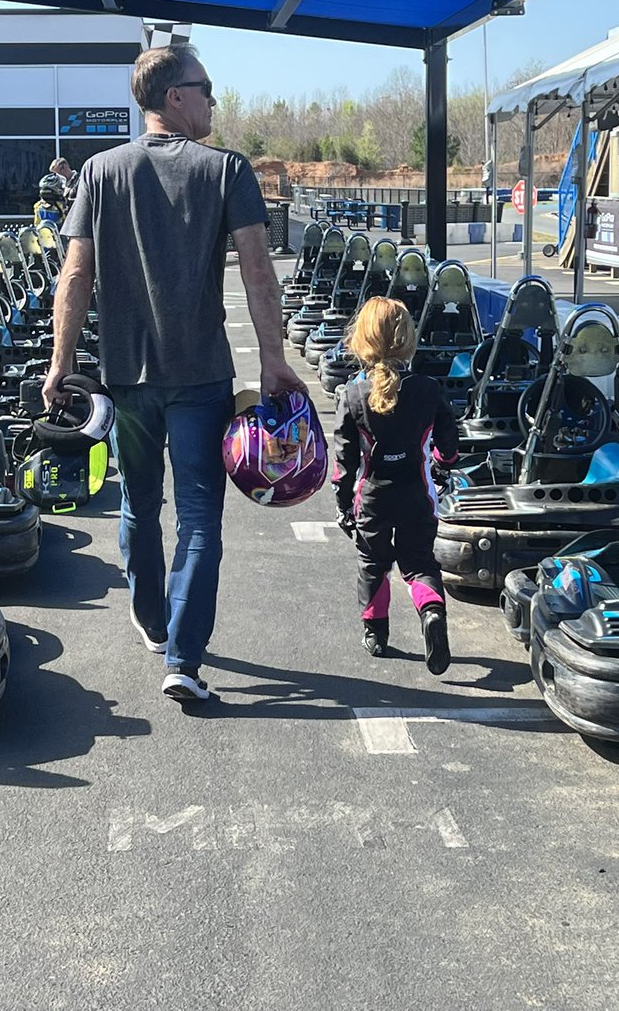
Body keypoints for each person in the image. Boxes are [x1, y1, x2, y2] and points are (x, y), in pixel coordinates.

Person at [43, 45, 306, 703]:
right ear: (174, 97)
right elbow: (257, 272)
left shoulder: (100, 172)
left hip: (127, 378)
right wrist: (273, 360)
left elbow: (75, 275)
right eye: (205, 87)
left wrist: (60, 364)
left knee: (139, 504)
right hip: (200, 376)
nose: (213, 99)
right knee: (198, 517)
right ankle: (184, 662)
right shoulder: (226, 170)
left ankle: (153, 620)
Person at [332, 297, 459, 675]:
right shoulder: (428, 389)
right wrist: (442, 466)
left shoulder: (352, 394)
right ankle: (432, 612)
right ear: (408, 340)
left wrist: (342, 504)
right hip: (417, 492)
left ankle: (376, 633)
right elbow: (448, 445)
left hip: (372, 495)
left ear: (361, 340)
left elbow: (344, 463)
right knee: (419, 562)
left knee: (373, 563)